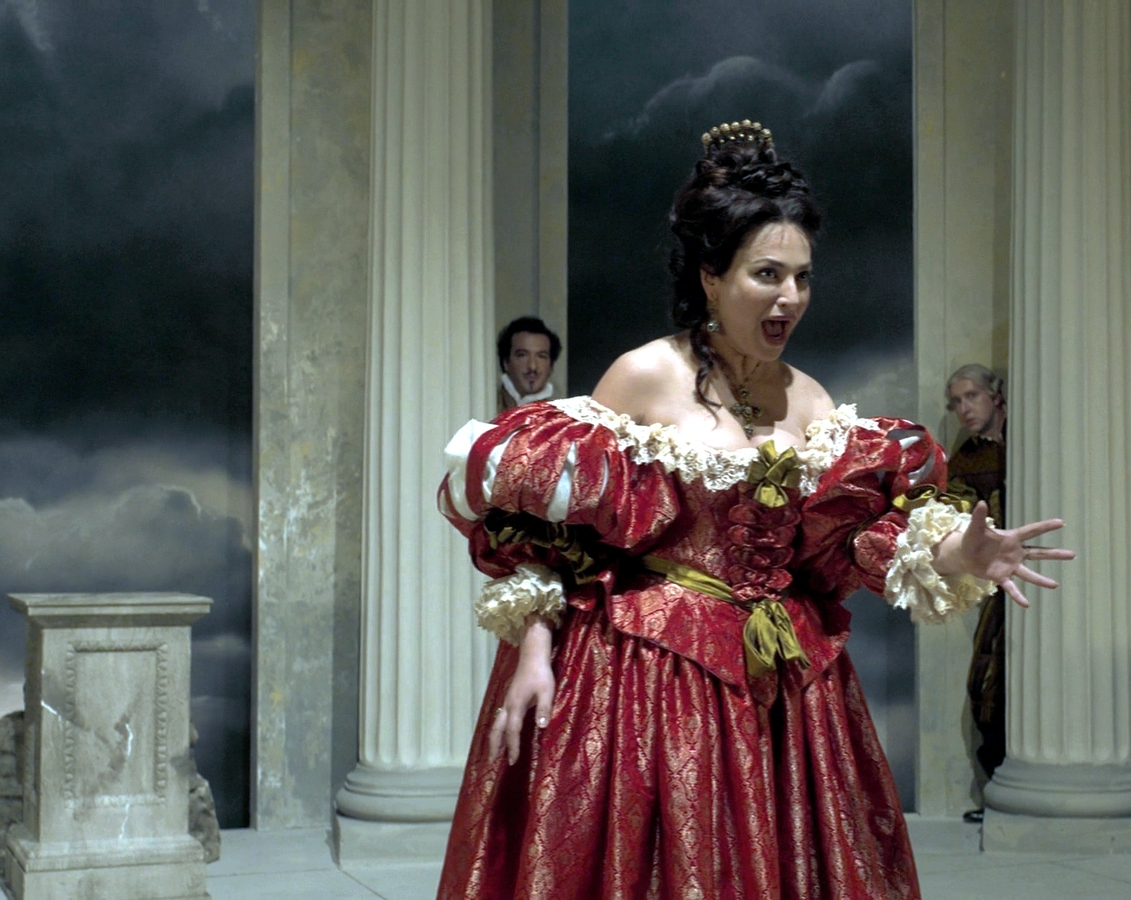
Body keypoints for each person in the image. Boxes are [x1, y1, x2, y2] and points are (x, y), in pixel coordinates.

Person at [435, 120, 1074, 899]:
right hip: (651, 682)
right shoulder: (644, 376)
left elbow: (851, 543)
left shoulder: (811, 401)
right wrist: (536, 653)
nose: (790, 298)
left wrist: (959, 555)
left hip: (789, 692)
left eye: (802, 277)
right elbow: (554, 533)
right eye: (767, 274)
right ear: (711, 275)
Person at [943, 364, 1009, 818]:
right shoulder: (965, 457)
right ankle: (1002, 790)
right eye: (956, 402)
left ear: (996, 397)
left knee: (1126, 680)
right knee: (985, 684)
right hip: (1003, 581)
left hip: (1068, 575)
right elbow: (954, 514)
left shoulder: (1033, 438)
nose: (964, 409)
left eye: (972, 396)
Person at [496, 315, 562, 412]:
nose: (532, 366)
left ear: (551, 365)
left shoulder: (562, 416)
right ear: (506, 362)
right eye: (522, 355)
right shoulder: (485, 405)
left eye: (541, 356)